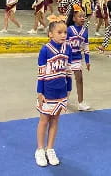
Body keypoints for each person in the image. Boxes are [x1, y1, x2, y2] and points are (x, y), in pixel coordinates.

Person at [35, 15, 72, 167]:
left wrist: (69, 88)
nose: (63, 35)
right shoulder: (45, 50)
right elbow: (41, 73)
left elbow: (68, 70)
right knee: (44, 120)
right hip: (47, 92)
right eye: (60, 32)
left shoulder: (67, 48)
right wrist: (39, 92)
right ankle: (40, 149)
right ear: (50, 34)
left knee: (56, 119)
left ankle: (50, 148)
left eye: (65, 32)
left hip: (61, 91)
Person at [66, 4, 91, 111]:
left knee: (79, 79)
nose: (82, 18)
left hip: (77, 58)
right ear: (74, 18)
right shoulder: (69, 29)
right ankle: (64, 98)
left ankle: (80, 103)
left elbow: (86, 46)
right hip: (66, 58)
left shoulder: (85, 31)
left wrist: (87, 60)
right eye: (80, 16)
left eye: (83, 16)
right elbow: (64, 44)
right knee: (66, 80)